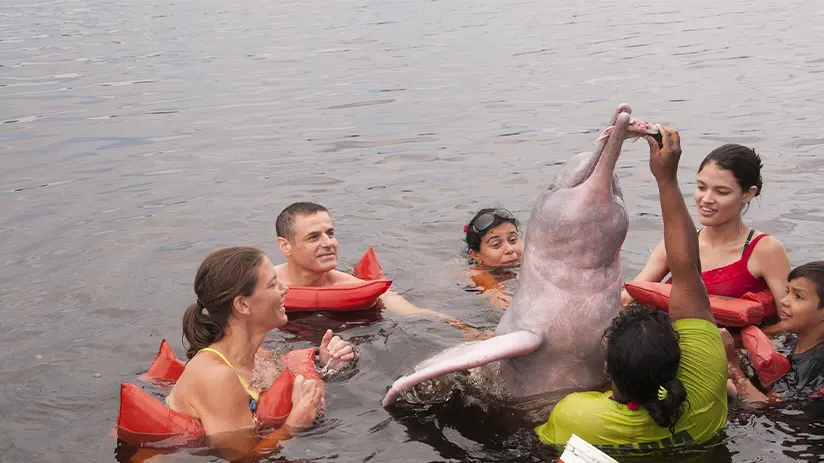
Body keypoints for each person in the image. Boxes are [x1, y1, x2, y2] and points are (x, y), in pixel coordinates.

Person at [535, 126, 728, 450]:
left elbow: (683, 272)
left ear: (607, 366)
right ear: (679, 361)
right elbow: (688, 273)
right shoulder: (705, 382)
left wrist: (665, 178)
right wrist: (666, 179)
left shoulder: (576, 415)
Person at [165, 246, 357, 461]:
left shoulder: (259, 356)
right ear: (243, 304)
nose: (285, 289)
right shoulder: (217, 376)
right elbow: (242, 458)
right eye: (273, 284)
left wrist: (326, 363)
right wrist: (295, 424)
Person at [621, 143, 790, 309]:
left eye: (721, 192)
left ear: (748, 194)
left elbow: (790, 318)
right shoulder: (676, 243)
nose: (706, 199)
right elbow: (630, 295)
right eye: (701, 187)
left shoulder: (766, 250)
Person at [275, 202, 465, 324]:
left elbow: (413, 313)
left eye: (330, 234)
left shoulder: (354, 287)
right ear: (285, 246)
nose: (328, 243)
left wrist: (460, 326)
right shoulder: (258, 286)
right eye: (313, 237)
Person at [726, 261, 824, 402]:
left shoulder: (815, 364)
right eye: (787, 292)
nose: (784, 301)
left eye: (799, 297)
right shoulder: (792, 341)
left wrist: (732, 365)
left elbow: (769, 406)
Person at [463, 208, 524, 310]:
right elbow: (501, 301)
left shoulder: (530, 253)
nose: (510, 249)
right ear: (476, 255)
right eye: (496, 245)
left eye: (513, 240)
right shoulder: (477, 274)